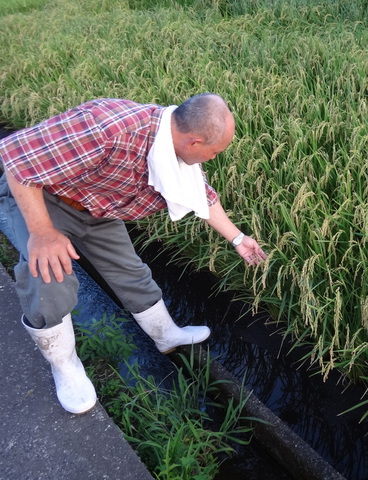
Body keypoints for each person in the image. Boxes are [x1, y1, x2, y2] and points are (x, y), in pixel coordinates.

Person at [0, 93, 267, 414]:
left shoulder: (176, 148)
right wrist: (42, 233)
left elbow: (202, 194)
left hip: (98, 208)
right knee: (48, 277)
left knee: (130, 272)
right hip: (44, 199)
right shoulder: (108, 128)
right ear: (195, 142)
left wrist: (238, 238)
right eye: (216, 151)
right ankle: (65, 365)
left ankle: (166, 336)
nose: (214, 158)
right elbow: (18, 159)